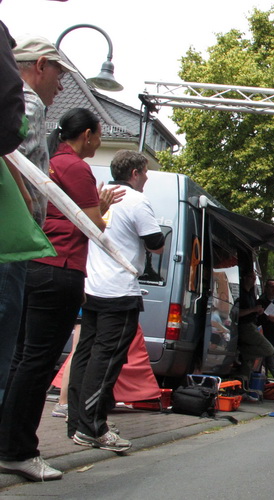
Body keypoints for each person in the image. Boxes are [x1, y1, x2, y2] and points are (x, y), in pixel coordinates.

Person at [0, 108, 116, 482]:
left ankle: (8, 441)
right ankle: (18, 449)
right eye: (99, 135)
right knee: (37, 363)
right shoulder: (76, 168)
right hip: (61, 267)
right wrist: (104, 208)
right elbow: (92, 225)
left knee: (21, 360)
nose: (99, 142)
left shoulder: (48, 161)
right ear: (87, 135)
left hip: (32, 263)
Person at [67, 150, 164, 451]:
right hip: (119, 289)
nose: (146, 177)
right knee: (106, 360)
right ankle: (93, 427)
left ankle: (78, 422)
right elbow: (156, 244)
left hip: (91, 286)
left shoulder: (97, 195)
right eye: (145, 172)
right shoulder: (135, 200)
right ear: (134, 173)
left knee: (85, 355)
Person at [0, 34, 75, 418]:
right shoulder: (26, 102)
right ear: (40, 66)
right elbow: (8, 150)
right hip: (13, 237)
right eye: (59, 76)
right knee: (7, 338)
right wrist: (26, 200)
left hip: (15, 238)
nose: (61, 87)